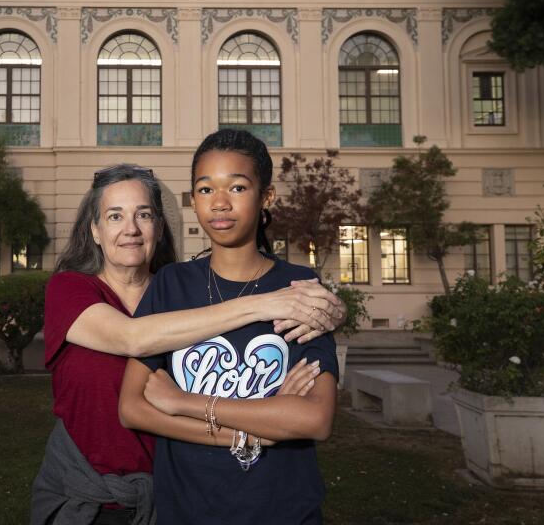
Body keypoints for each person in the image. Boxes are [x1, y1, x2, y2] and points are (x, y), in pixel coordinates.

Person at [31, 163, 344, 525]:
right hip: (91, 495)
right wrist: (257, 431)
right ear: (95, 231)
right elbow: (135, 338)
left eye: (143, 215)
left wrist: (330, 312)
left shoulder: (180, 292)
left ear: (159, 228)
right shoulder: (69, 289)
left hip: (170, 495)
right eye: (115, 216)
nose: (130, 229)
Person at [119, 130, 340, 525]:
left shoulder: (299, 289)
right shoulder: (172, 284)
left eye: (237, 187)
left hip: (283, 508)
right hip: (187, 508)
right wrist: (262, 422)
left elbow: (314, 419)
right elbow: (133, 407)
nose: (219, 203)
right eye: (205, 190)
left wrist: (185, 403)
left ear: (266, 196)